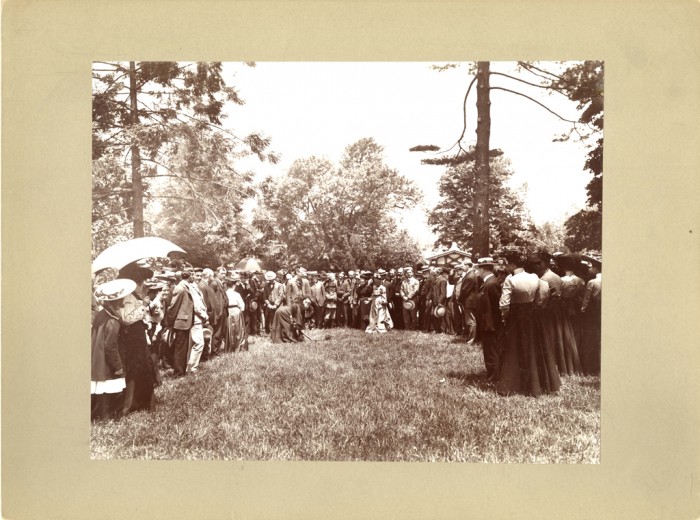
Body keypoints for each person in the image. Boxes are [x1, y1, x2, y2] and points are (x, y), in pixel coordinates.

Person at [496, 250, 560, 397]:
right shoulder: (534, 277)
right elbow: (540, 297)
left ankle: (514, 383)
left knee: (514, 348)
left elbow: (504, 304)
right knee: (534, 347)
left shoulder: (510, 280)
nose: (505, 267)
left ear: (511, 264)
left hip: (517, 315)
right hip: (532, 315)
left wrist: (505, 318)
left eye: (506, 264)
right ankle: (539, 383)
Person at [116, 262, 158, 413]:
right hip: (132, 337)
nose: (144, 285)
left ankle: (141, 401)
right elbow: (127, 318)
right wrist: (143, 306)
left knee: (142, 368)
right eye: (142, 282)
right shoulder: (128, 296)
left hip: (137, 335)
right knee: (136, 368)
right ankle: (132, 404)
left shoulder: (134, 296)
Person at [91, 279, 135, 421]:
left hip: (96, 357)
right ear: (116, 302)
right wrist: (118, 366)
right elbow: (110, 346)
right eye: (121, 299)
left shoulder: (101, 315)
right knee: (105, 389)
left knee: (99, 390)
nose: (123, 302)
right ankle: (105, 418)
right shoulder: (113, 321)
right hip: (105, 360)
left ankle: (99, 416)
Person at [475, 258, 503, 381]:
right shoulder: (488, 283)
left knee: (491, 350)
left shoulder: (491, 284)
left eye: (477, 270)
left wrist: (492, 323)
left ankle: (493, 377)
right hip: (487, 322)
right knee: (489, 350)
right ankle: (493, 374)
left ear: (482, 270)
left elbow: (497, 306)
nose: (476, 272)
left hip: (491, 324)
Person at [580, 257, 602, 375]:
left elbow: (586, 301)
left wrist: (582, 311)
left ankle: (591, 366)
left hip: (592, 314)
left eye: (591, 267)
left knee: (591, 340)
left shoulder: (592, 282)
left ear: (595, 268)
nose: (589, 270)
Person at [458, 260, 479, 345]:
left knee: (470, 321)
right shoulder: (471, 274)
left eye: (463, 265)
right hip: (469, 301)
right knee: (470, 320)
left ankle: (471, 340)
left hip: (469, 301)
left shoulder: (470, 276)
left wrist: (459, 299)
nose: (461, 267)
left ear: (467, 265)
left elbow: (465, 290)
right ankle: (470, 338)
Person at [226, 274, 249, 352]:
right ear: (234, 285)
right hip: (236, 310)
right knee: (238, 329)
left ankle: (230, 346)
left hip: (228, 311)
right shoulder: (236, 294)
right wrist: (241, 310)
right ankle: (237, 347)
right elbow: (242, 305)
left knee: (230, 328)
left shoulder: (225, 293)